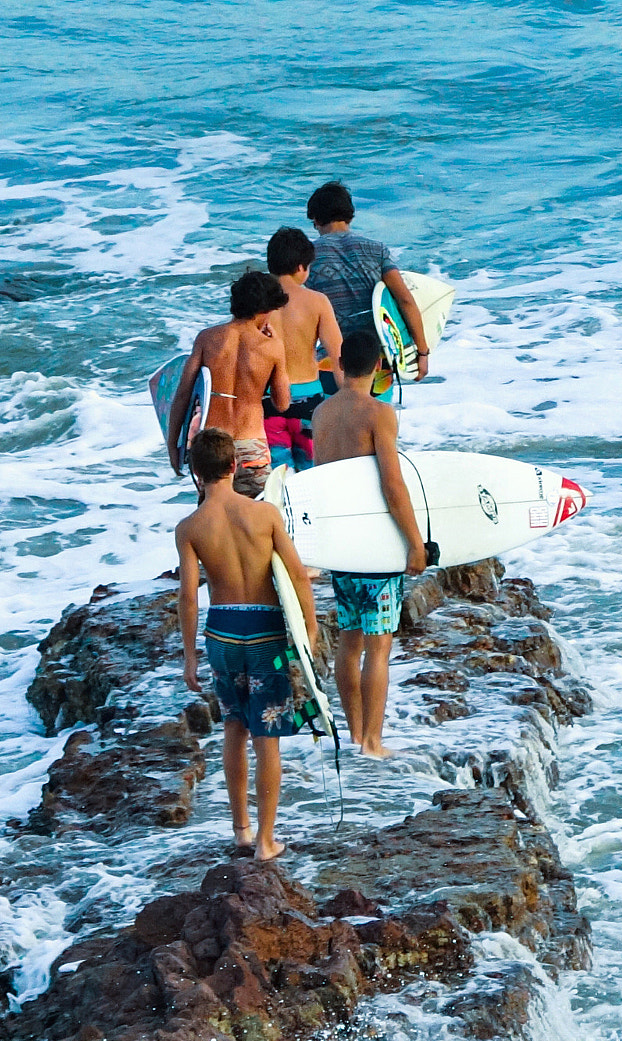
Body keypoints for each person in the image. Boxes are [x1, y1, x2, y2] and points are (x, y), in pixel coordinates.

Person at [176, 428, 319, 861]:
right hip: (266, 634)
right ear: (235, 467)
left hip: (221, 633)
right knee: (267, 737)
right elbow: (296, 574)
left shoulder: (190, 527)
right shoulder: (265, 516)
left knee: (234, 729)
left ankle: (241, 830)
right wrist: (309, 631)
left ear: (197, 475)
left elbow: (187, 594)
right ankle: (266, 839)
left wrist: (189, 655)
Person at [310, 331, 428, 759]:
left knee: (350, 638)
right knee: (378, 647)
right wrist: (415, 543)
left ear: (340, 367)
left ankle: (357, 734)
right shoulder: (378, 412)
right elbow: (391, 482)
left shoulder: (322, 414)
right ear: (379, 368)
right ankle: (374, 743)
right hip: (375, 543)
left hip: (339, 541)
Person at [304, 180, 430, 402]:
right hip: (376, 361)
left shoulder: (307, 256)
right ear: (350, 215)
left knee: (331, 430)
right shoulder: (377, 249)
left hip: (331, 364)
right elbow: (405, 301)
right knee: (374, 427)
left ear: (316, 219)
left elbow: (297, 309)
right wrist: (421, 353)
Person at [167, 271, 290, 498]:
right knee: (258, 516)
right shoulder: (272, 347)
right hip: (251, 443)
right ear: (264, 309)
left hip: (212, 445)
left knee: (212, 517)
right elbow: (282, 403)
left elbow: (183, 395)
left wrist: (173, 446)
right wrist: (275, 349)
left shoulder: (206, 338)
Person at [263, 226, 342, 472]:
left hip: (269, 402)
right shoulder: (317, 301)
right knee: (312, 477)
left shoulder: (258, 302)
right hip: (309, 404)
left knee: (277, 481)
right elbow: (338, 355)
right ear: (301, 267)